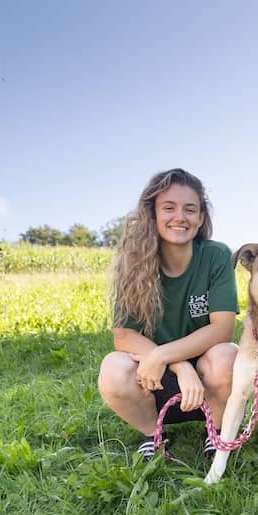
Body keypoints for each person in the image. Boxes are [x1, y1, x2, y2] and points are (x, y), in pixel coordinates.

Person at [98, 168, 239, 462]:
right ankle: (153, 434)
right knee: (113, 369)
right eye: (169, 208)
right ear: (152, 214)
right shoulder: (134, 262)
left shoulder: (215, 255)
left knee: (228, 356)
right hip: (154, 380)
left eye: (190, 209)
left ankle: (215, 430)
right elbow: (124, 336)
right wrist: (177, 365)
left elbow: (222, 329)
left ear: (201, 219)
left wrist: (173, 359)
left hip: (208, 379)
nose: (180, 217)